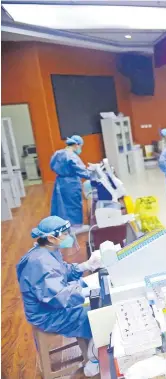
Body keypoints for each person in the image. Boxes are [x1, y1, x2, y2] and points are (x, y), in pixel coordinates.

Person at [16, 216, 102, 376]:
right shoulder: (40, 263)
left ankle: (95, 351)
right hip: (47, 315)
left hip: (50, 307)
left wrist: (85, 265)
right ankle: (95, 359)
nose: (69, 236)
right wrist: (84, 289)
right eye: (65, 234)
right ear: (50, 237)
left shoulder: (46, 252)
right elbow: (60, 296)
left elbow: (62, 272)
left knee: (96, 307)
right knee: (96, 314)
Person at [50, 135, 90, 232]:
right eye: (80, 146)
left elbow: (52, 166)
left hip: (60, 181)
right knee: (74, 204)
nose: (80, 149)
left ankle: (64, 226)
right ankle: (76, 227)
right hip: (71, 183)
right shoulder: (71, 156)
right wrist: (94, 174)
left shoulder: (58, 153)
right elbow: (81, 170)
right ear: (76, 145)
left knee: (62, 204)